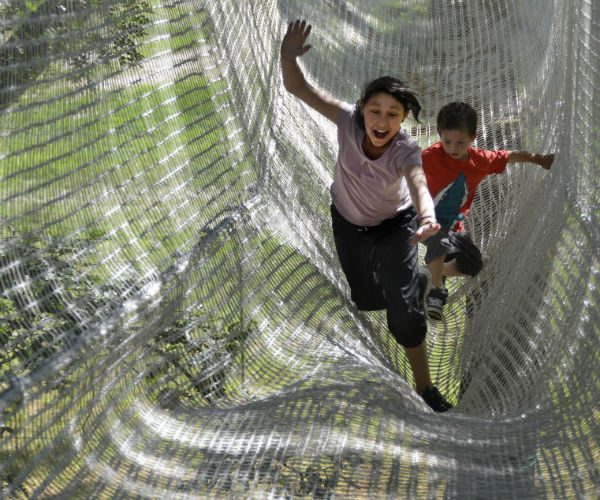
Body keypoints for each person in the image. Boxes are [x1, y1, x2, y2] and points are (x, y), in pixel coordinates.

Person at [281, 20, 452, 412]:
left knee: (404, 314)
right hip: (348, 224)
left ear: (404, 118)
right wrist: (288, 57)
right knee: (369, 299)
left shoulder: (405, 150)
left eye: (393, 114)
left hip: (396, 228)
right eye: (375, 110)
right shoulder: (346, 120)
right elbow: (299, 88)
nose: (382, 120)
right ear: (362, 109)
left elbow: (418, 183)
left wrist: (427, 218)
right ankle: (416, 284)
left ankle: (425, 387)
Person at [422, 101, 554, 320]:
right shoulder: (429, 157)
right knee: (439, 240)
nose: (452, 148)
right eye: (447, 141)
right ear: (439, 135)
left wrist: (540, 160)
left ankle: (429, 274)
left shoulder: (479, 161)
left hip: (454, 226)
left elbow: (509, 156)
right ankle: (436, 291)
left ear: (473, 137)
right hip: (423, 221)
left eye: (460, 142)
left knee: (473, 265)